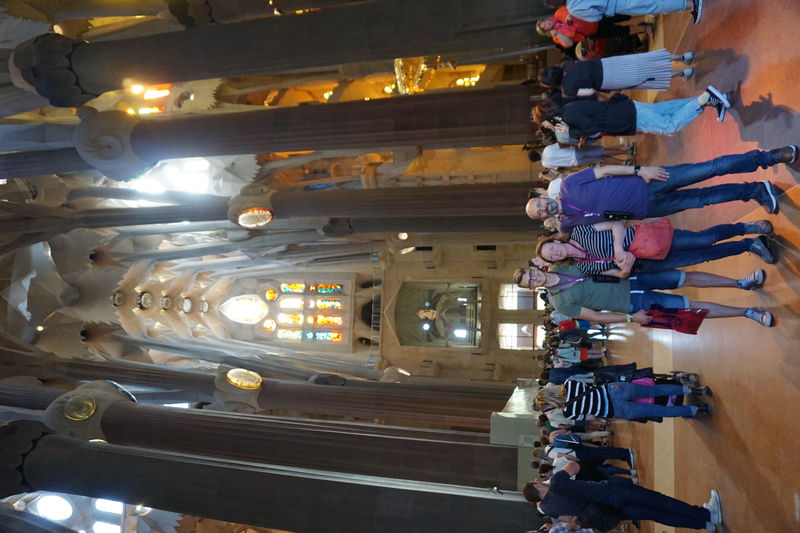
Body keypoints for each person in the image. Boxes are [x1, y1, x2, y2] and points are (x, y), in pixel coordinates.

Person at [524, 147, 797, 233]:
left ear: (542, 197)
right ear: (543, 218)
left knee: (708, 169)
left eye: (540, 204)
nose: (544, 208)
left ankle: (768, 158)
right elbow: (602, 225)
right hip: (649, 209)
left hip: (648, 181)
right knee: (704, 199)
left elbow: (604, 171)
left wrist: (641, 170)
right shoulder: (567, 225)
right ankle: (756, 191)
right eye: (540, 213)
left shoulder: (568, 185)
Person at [512, 265, 776, 326]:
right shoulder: (560, 302)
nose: (534, 278)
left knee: (686, 277)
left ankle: (741, 283)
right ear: (533, 289)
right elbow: (596, 317)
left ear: (535, 269)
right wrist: (630, 318)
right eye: (530, 282)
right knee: (691, 307)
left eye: (531, 274)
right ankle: (746, 312)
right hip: (633, 303)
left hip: (633, 276)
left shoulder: (563, 264)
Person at [534, 219, 776, 277]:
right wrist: (625, 268)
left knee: (703, 239)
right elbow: (618, 275)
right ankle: (749, 244)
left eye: (551, 248)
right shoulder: (584, 268)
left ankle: (747, 227)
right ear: (556, 261)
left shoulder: (580, 232)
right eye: (551, 257)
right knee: (704, 256)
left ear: (556, 241)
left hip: (647, 239)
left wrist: (618, 247)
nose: (554, 253)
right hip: (647, 261)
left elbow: (616, 224)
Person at [523, 464, 723, 531]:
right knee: (661, 501)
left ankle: (703, 524)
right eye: (536, 481)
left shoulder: (548, 509)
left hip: (609, 511)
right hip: (611, 492)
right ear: (537, 486)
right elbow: (575, 466)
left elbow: (568, 520)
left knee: (656, 514)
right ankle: (707, 514)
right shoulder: (556, 481)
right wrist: (552, 478)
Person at [532, 88, 730, 139]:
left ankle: (706, 98)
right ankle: (714, 100)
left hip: (626, 117)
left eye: (544, 124)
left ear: (547, 119)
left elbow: (593, 129)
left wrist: (571, 133)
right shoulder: (567, 108)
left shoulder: (567, 118)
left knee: (670, 126)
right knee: (668, 109)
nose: (547, 127)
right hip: (625, 109)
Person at [539, 50, 696, 98]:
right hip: (608, 63)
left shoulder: (568, 89)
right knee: (644, 60)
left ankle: (682, 72)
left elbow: (590, 91)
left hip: (609, 80)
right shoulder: (566, 64)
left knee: (644, 77)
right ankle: (683, 57)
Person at [565, 0, 704, 23]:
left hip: (616, 4)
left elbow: (595, 17)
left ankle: (690, 5)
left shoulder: (572, 7)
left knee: (652, 5)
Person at [540, 142, 634, 169]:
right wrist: (574, 144)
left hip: (575, 162)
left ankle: (624, 162)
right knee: (602, 151)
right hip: (575, 152)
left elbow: (559, 168)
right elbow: (561, 144)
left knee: (601, 157)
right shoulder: (547, 149)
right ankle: (627, 152)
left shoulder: (545, 164)